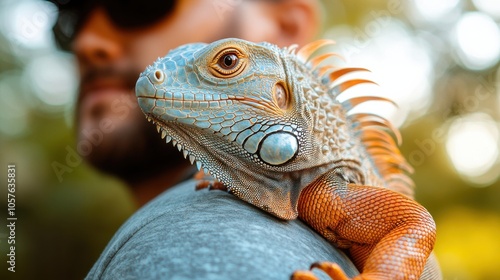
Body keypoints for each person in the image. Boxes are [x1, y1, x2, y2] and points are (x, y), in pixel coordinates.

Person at [52, 0, 359, 278]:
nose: (86, 41)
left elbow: (408, 228)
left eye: (141, 9)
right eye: (70, 23)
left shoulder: (200, 243)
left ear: (285, 25)